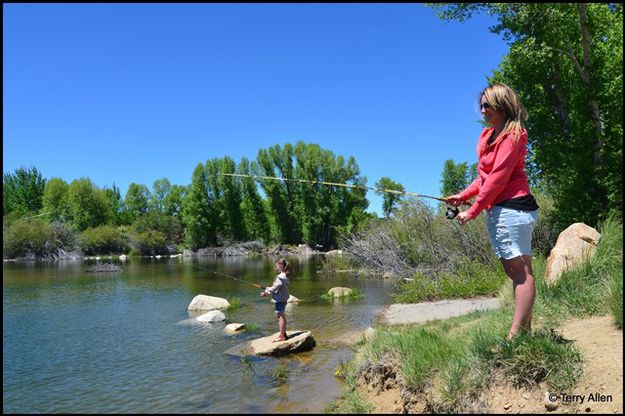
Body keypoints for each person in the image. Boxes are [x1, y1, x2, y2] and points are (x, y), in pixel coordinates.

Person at [445, 83, 539, 341]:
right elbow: (484, 178)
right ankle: (524, 334)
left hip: (514, 209)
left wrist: (472, 211)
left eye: (488, 105)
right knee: (518, 272)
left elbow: (498, 179)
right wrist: (462, 196)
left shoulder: (514, 134)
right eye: (482, 105)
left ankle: (514, 336)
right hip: (501, 209)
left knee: (520, 273)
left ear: (502, 105)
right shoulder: (487, 135)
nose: (483, 110)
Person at [261, 258, 291, 342]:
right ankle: (283, 333)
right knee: (282, 316)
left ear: (281, 265)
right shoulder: (285, 275)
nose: (275, 267)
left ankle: (281, 336)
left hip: (280, 299)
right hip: (283, 298)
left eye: (276, 265)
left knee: (280, 317)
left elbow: (275, 288)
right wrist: (268, 289)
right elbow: (277, 287)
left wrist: (266, 293)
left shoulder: (279, 277)